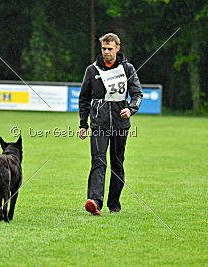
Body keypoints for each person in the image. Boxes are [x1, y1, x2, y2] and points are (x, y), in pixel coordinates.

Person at [78, 33, 143, 215]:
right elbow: (84, 98)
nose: (106, 52)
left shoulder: (128, 69)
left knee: (117, 163)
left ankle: (114, 204)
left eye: (109, 49)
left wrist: (130, 109)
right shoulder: (92, 70)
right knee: (98, 161)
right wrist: (83, 124)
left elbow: (137, 94)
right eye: (103, 49)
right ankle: (95, 202)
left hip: (121, 124)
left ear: (117, 48)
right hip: (99, 123)